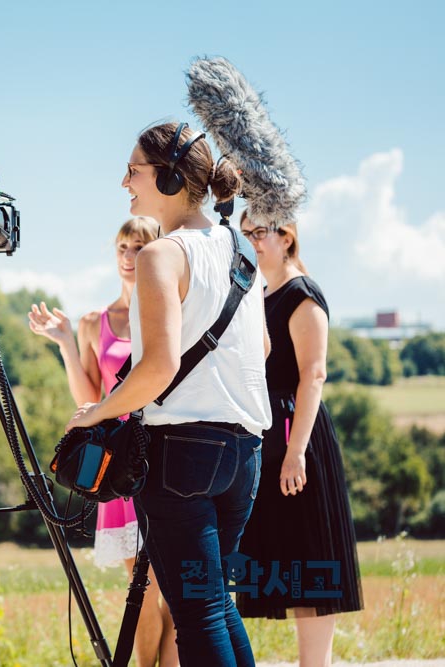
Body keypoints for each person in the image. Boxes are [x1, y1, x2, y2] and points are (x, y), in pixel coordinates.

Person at [66, 121, 271, 666]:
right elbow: (264, 349)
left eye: (133, 170)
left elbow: (158, 366)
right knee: (216, 604)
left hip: (183, 452)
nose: (125, 182)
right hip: (244, 452)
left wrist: (96, 414)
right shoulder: (241, 251)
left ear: (172, 176)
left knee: (198, 613)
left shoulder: (162, 255)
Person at [27, 216, 178, 667]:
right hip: (121, 465)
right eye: (122, 247)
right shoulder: (97, 322)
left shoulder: (168, 314)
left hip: (167, 454)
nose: (129, 257)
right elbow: (90, 402)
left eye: (139, 247)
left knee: (175, 589)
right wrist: (67, 346)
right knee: (142, 586)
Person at [235, 210, 363, 667]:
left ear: (286, 238)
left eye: (259, 233)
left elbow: (314, 374)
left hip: (297, 436)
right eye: (245, 233)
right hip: (268, 436)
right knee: (283, 565)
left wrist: (296, 453)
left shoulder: (301, 294)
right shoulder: (259, 293)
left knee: (311, 570)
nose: (251, 242)